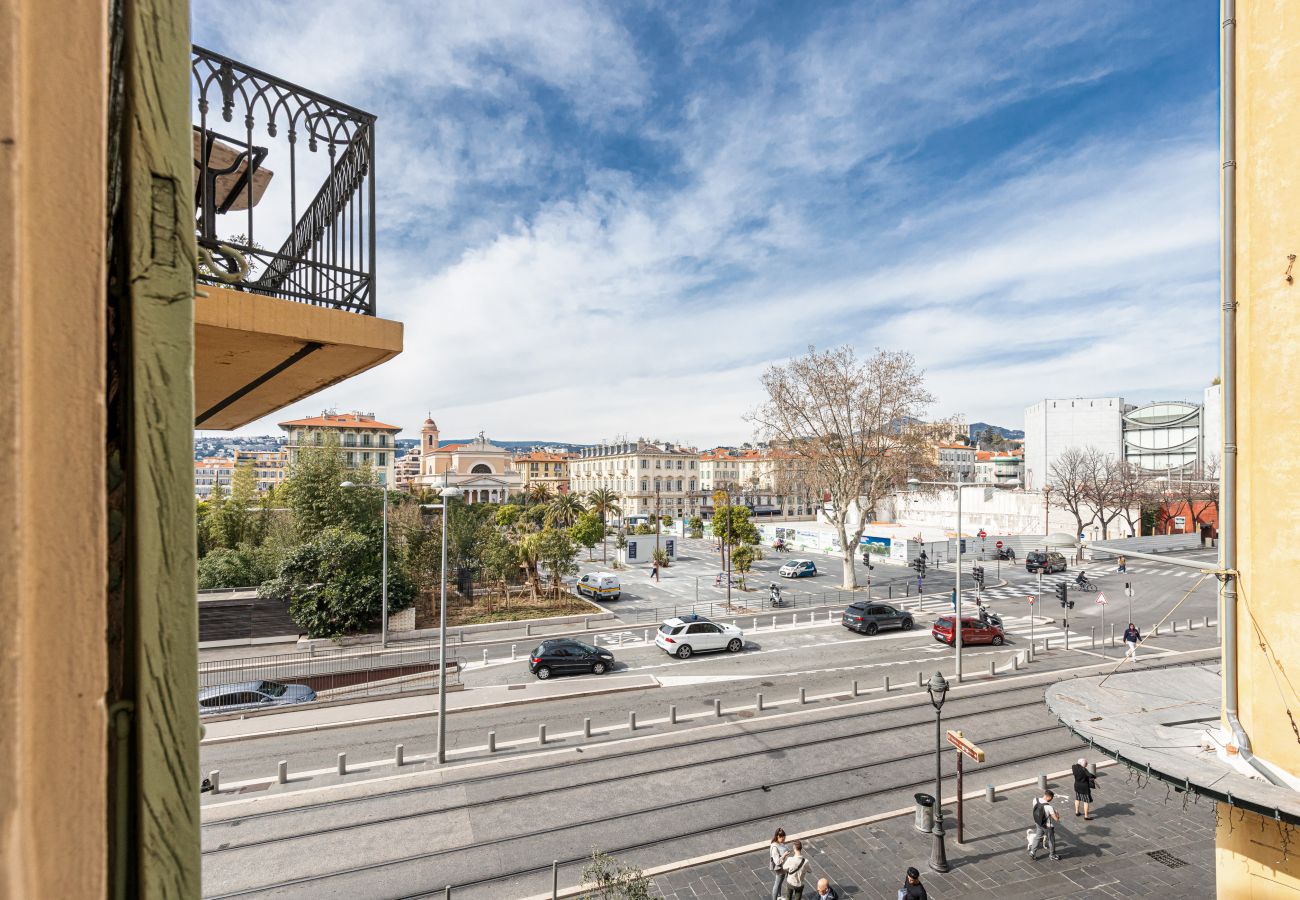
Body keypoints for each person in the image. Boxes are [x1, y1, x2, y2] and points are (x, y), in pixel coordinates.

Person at [1028, 789, 1061, 860]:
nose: (1051, 800)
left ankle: (1032, 852)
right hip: (1047, 826)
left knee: (1038, 836)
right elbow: (1056, 819)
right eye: (1051, 798)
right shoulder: (1049, 807)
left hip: (1038, 823)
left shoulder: (1035, 800)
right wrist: (1057, 813)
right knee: (1051, 840)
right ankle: (1052, 855)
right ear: (1048, 797)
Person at [768, 828, 790, 900]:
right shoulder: (774, 847)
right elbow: (777, 862)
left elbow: (783, 847)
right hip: (780, 869)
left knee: (779, 883)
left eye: (784, 838)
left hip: (783, 867)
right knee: (777, 884)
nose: (784, 840)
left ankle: (779, 896)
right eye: (782, 838)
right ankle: (775, 898)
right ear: (778, 837)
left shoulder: (779, 843)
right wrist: (784, 855)